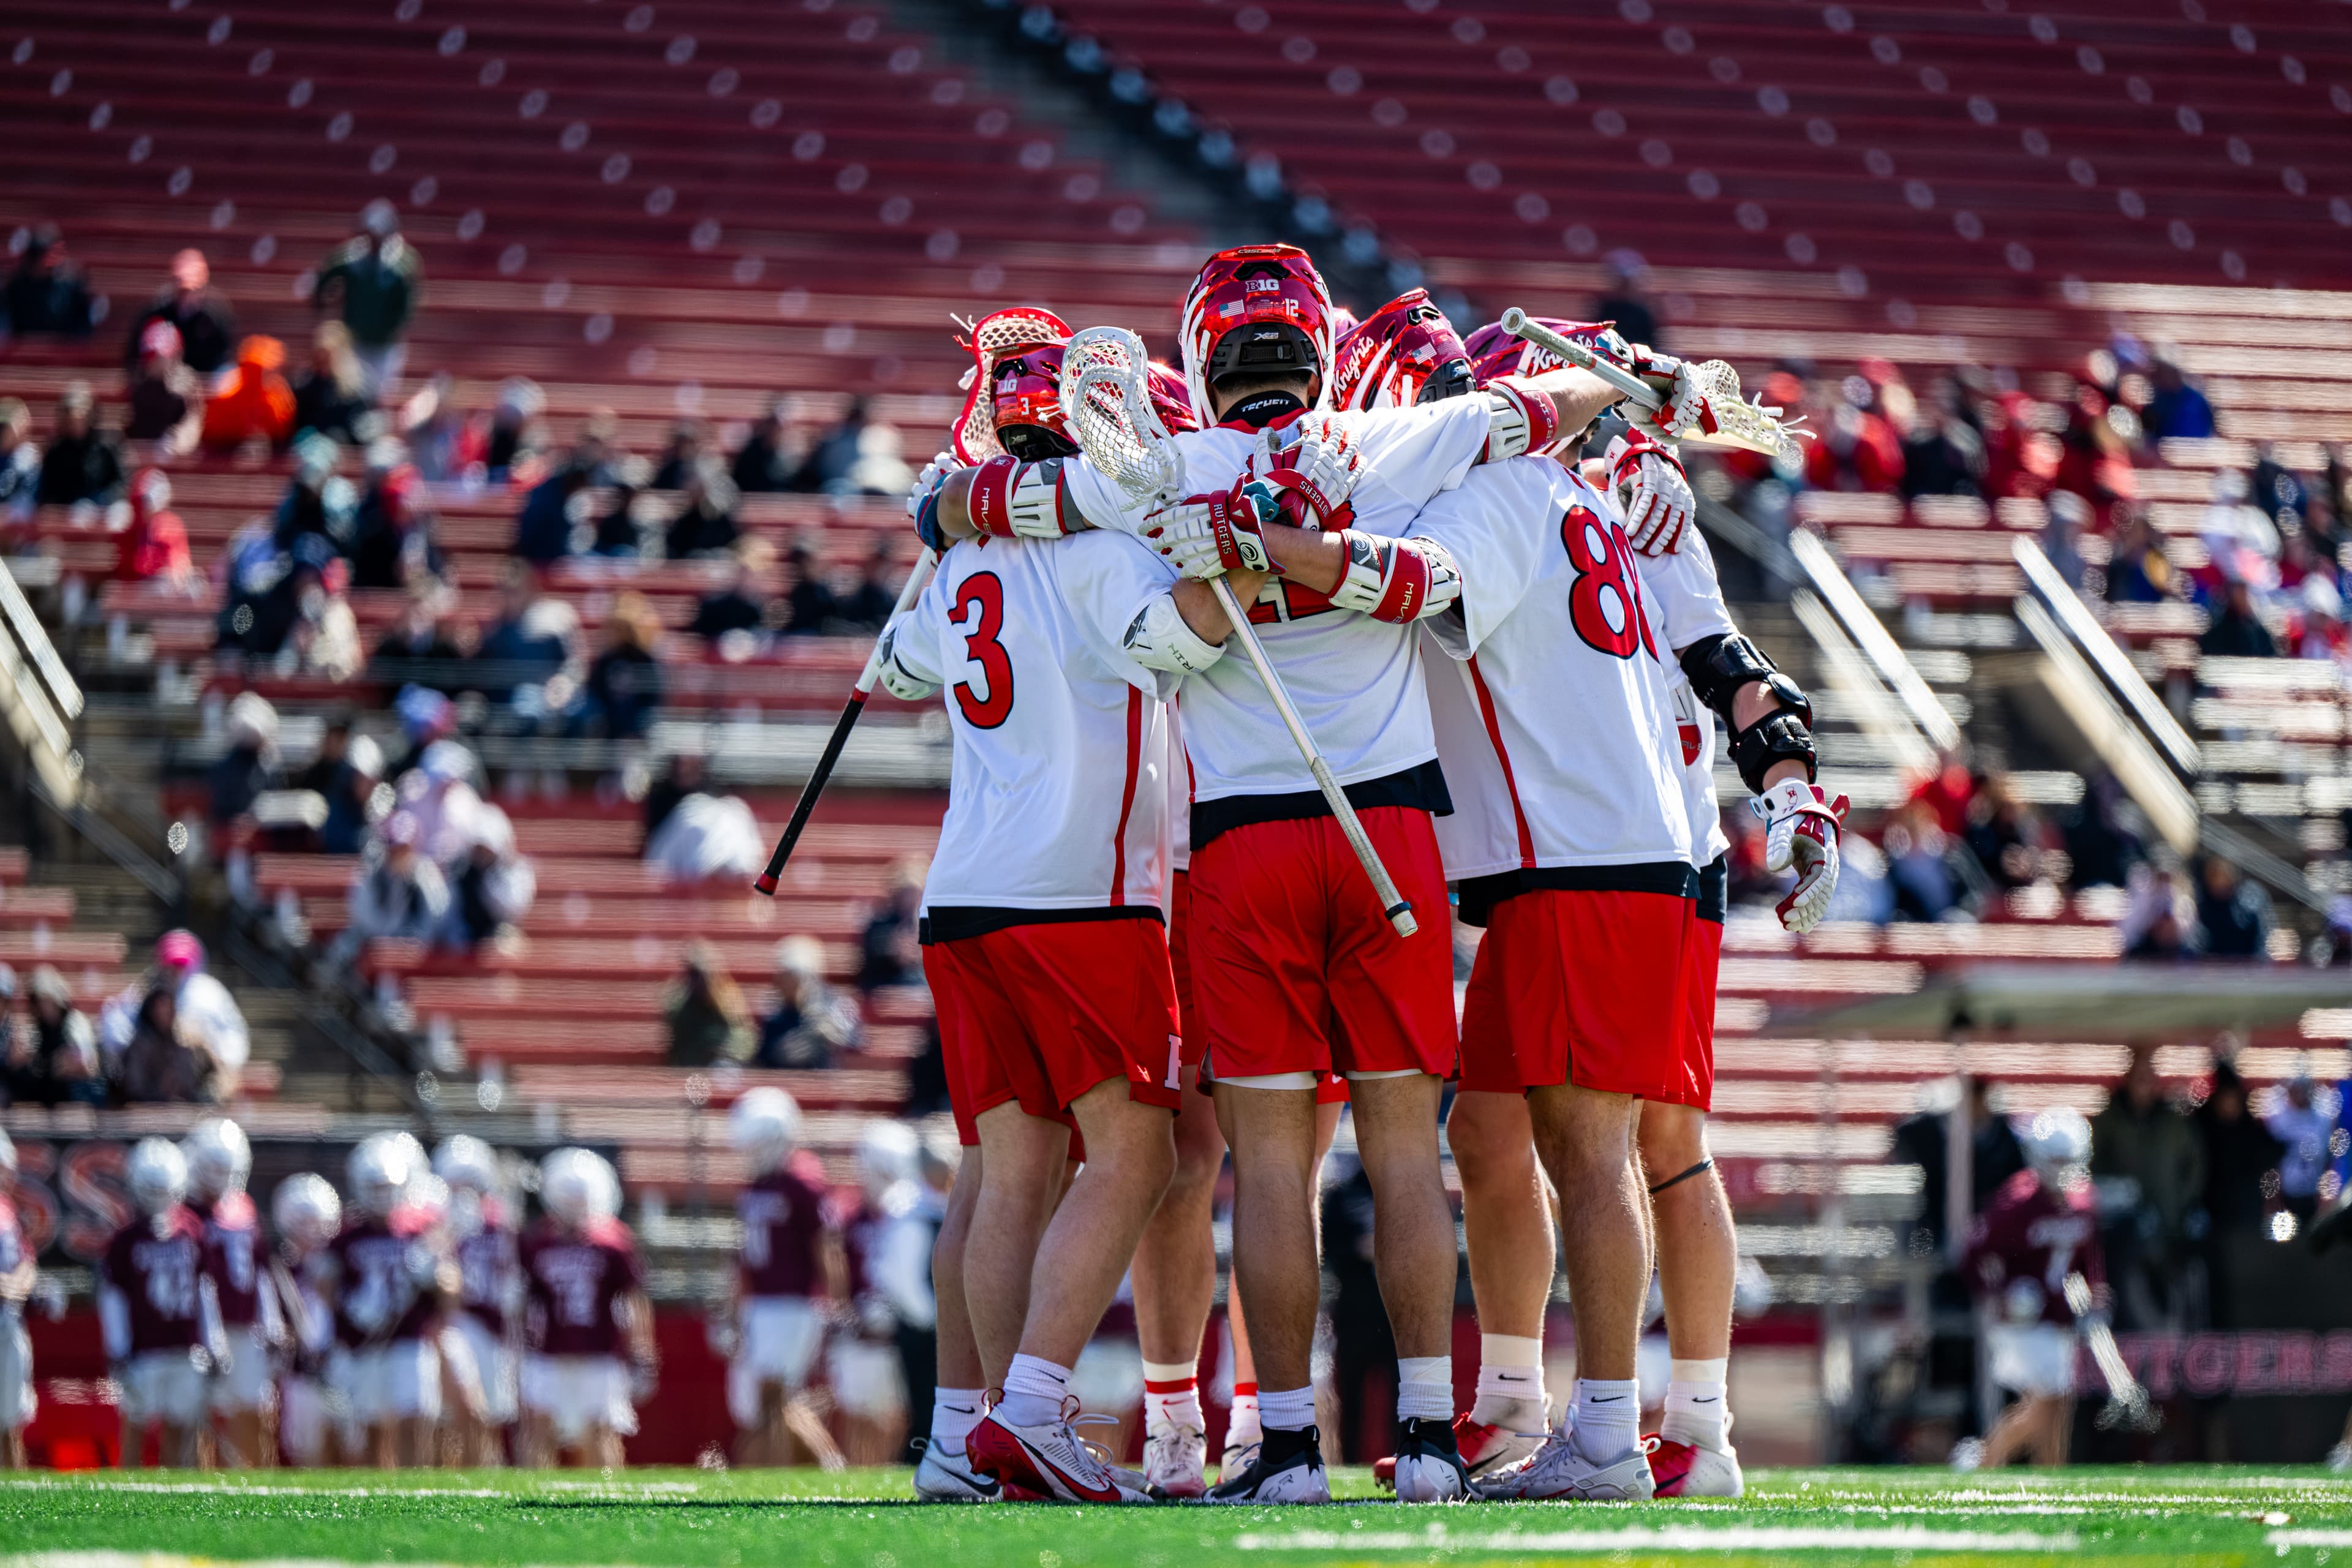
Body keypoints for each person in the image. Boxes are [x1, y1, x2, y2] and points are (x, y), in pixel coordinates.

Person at [914, 248, 1632, 1504]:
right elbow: (1551, 405)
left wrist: (947, 502)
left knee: (1271, 1165)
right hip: (1389, 830)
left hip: (1242, 843)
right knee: (1408, 1150)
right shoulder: (1392, 440)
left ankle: (1289, 1443)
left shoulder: (1163, 474)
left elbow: (991, 504)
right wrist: (1628, 411)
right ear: (1315, 343)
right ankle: (1421, 1438)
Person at [1954, 1111, 2103, 1471]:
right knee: (2043, 1402)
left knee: (2058, 1403)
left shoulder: (2083, 1201)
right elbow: (1973, 1253)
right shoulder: (2016, 1203)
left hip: (2059, 1316)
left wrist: (2096, 1290)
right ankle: (1982, 1458)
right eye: (2055, 1159)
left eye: (2069, 1159)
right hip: (2023, 1318)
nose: (2062, 1167)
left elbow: (2087, 1255)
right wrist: (1997, 1294)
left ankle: (2050, 1473)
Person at [312, 1132, 451, 1467]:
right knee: (372, 1425)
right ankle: (381, 1496)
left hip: (409, 1339)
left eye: (388, 1187)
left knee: (416, 1416)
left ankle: (416, 1491)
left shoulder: (421, 1232)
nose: (382, 1195)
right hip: (363, 1343)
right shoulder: (346, 1237)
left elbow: (450, 1293)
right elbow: (324, 1289)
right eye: (375, 1187)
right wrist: (350, 1311)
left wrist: (433, 1276)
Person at [725, 1091, 846, 1467]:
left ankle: (815, 1465)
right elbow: (746, 1256)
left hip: (794, 1302)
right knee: (768, 1400)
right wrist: (733, 1306)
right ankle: (818, 1465)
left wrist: (838, 1303)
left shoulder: (802, 1183)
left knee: (773, 1395)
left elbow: (825, 1247)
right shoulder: (757, 1187)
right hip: (763, 1304)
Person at [518, 1148, 654, 1469]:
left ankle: (608, 1503)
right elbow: (526, 1302)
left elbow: (633, 1299)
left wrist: (642, 1351)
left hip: (599, 1353)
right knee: (538, 1429)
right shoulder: (537, 1242)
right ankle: (530, 1501)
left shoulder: (613, 1242)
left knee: (601, 1431)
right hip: (550, 1352)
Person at [100, 1140, 219, 1468]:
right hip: (144, 1348)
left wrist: (214, 1342)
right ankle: (128, 1494)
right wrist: (119, 1349)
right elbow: (114, 1297)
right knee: (136, 1424)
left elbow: (204, 1289)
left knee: (182, 1427)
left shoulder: (191, 1230)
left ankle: (182, 1500)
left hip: (185, 1345)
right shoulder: (126, 1240)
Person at [181, 1118, 279, 1468]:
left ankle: (259, 1484)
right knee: (203, 1414)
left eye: (227, 1166)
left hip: (245, 1325)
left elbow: (262, 1271)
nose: (221, 1174)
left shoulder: (245, 1207)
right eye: (214, 1166)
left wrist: (272, 1322)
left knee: (257, 1408)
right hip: (201, 1331)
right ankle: (206, 1489)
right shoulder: (185, 1213)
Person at [834, 1123, 929, 1466]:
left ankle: (888, 1470)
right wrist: (845, 1311)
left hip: (903, 1329)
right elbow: (838, 1267)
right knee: (857, 1410)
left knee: (900, 1411)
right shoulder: (849, 1214)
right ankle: (858, 1472)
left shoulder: (913, 1216)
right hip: (861, 1327)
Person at [2090, 1049, 2204, 1329]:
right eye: (2138, 1077)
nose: (2144, 1084)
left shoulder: (2174, 1123)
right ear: (2127, 1079)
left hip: (2169, 1224)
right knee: (2128, 1293)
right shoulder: (2108, 1121)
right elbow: (2093, 1168)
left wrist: (2182, 1203)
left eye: (2148, 1077)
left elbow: (2195, 1167)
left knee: (2171, 1292)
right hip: (2121, 1230)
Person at [435, 1137, 521, 1466]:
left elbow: (515, 1266)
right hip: (453, 1321)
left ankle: (486, 1469)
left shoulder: (501, 1222)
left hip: (493, 1325)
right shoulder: (437, 1219)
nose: (465, 1190)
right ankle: (448, 1475)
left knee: (490, 1410)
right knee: (454, 1409)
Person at [266, 1174, 343, 1467]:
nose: (313, 1230)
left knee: (345, 1441)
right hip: (300, 1371)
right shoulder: (281, 1267)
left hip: (338, 1364)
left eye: (317, 1221)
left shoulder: (337, 1263)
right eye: (305, 1221)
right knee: (303, 1449)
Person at [314, 202, 421, 399]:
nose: (373, 242)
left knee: (378, 396)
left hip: (384, 344)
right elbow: (326, 274)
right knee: (350, 393)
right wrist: (321, 300)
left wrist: (392, 326)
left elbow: (407, 303)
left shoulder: (401, 263)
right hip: (354, 340)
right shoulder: (352, 257)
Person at [337, 812, 450, 963]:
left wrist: (415, 941)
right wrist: (391, 941)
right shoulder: (371, 872)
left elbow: (437, 914)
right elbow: (364, 917)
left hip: (418, 952)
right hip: (372, 948)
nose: (399, 854)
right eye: (394, 848)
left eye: (405, 848)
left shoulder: (425, 873)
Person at [754, 936, 861, 1069]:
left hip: (826, 1082)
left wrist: (828, 1037)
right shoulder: (774, 1015)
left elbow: (856, 1046)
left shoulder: (837, 1006)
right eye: (784, 976)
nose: (789, 984)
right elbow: (764, 1058)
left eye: (795, 977)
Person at [124, 249, 236, 375]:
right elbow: (135, 354)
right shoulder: (157, 312)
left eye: (192, 290)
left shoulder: (215, 313)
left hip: (207, 376)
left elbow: (224, 355)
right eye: (182, 290)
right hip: (168, 379)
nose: (186, 296)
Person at [7, 966, 102, 1109]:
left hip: (78, 1094)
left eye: (48, 1000)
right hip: (50, 1095)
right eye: (40, 1001)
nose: (44, 1006)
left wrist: (57, 1064)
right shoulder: (40, 1027)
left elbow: (88, 1067)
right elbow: (29, 1063)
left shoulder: (75, 1023)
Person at [579, 592, 665, 740]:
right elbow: (595, 690)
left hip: (637, 720)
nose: (618, 633)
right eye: (615, 628)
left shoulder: (644, 659)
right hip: (609, 719)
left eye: (623, 628)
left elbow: (652, 697)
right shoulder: (607, 658)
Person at [116, 984, 217, 1105]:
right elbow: (134, 1087)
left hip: (186, 1109)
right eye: (158, 1007)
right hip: (147, 1112)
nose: (163, 1012)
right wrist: (158, 1095)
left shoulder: (188, 1042)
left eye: (166, 1006)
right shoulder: (140, 1046)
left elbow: (211, 1073)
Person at [199, 336, 298, 454]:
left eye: (263, 369)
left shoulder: (276, 391)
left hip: (266, 448)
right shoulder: (231, 384)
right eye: (253, 368)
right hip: (227, 445)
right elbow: (214, 428)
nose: (257, 373)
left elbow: (282, 428)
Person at [34, 383, 125, 508]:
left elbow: (118, 484)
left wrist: (102, 500)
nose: (77, 422)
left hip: (102, 509)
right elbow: (49, 492)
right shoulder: (56, 452)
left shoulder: (106, 447)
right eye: (72, 418)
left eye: (82, 416)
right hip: (69, 514)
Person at [663, 940, 752, 1066]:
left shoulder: (728, 998)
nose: (700, 980)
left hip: (722, 1065)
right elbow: (675, 1041)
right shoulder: (680, 1002)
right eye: (695, 975)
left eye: (704, 974)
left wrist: (727, 1052)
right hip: (690, 1064)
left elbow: (744, 1038)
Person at [0, 1131, 32, 1468]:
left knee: (12, 1417)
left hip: (8, 1320)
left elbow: (26, 1259)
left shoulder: (8, 1210)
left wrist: (20, 1282)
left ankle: (16, 1487)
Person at [124, 320, 205, 453]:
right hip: (142, 453)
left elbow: (193, 425)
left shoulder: (186, 384)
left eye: (160, 358)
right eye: (152, 357)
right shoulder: (139, 385)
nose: (155, 363)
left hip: (176, 457)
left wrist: (176, 442)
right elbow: (131, 425)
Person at [2, 225, 94, 340]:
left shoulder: (70, 289)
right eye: (41, 255)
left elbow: (82, 330)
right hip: (22, 353)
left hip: (61, 353)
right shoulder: (15, 289)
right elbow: (5, 327)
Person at [2266, 1074, 2335, 1222]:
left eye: (2304, 1089)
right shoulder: (2278, 1120)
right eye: (2297, 1089)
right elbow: (2270, 1164)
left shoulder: (2322, 1120)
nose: (2301, 1094)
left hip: (2314, 1193)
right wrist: (2273, 1199)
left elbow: (2330, 1161)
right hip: (2286, 1194)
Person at [290, 322, 373, 444]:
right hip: (310, 442)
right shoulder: (305, 382)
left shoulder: (356, 387)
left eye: (328, 358)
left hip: (343, 444)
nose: (322, 362)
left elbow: (358, 427)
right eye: (319, 357)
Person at [855, 858, 925, 992]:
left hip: (920, 987)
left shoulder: (929, 925)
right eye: (905, 892)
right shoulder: (879, 923)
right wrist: (894, 950)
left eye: (915, 892)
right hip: (886, 986)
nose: (910, 898)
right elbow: (868, 955)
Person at [115, 469, 195, 587]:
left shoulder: (170, 525)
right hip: (137, 586)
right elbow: (126, 568)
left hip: (165, 585)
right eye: (142, 502)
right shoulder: (130, 527)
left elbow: (178, 564)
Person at [689, 538, 773, 643]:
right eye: (743, 570)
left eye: (754, 573)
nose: (749, 577)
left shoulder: (765, 611)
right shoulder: (711, 607)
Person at [2196, 856, 2273, 960]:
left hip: (2249, 964)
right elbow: (2196, 941)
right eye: (2214, 874)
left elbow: (2264, 934)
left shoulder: (2250, 897)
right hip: (2211, 966)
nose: (2219, 880)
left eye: (2223, 874)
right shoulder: (2201, 900)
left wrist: (2259, 962)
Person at [661, 462, 741, 559]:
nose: (693, 490)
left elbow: (731, 548)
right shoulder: (682, 520)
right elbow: (674, 552)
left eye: (699, 487)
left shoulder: (720, 518)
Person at [2140, 352, 2217, 443]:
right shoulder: (2156, 401)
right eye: (2159, 372)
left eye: (2164, 372)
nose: (2161, 377)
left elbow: (2214, 427)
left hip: (2197, 449)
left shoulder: (2197, 399)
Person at [2200, 578, 2279, 658]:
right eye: (2237, 594)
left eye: (2243, 594)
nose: (2241, 599)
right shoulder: (2216, 633)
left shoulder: (2258, 631)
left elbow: (2268, 655)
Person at [731, 396, 793, 492]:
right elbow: (747, 480)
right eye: (773, 426)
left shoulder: (781, 451)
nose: (776, 431)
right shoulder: (752, 450)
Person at [834, 544, 903, 631]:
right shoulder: (851, 600)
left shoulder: (892, 602)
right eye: (875, 564)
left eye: (883, 566)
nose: (879, 570)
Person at [0, 399, 39, 519]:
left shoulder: (28, 458)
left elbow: (26, 500)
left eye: (7, 427)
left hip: (19, 525)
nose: (3, 432)